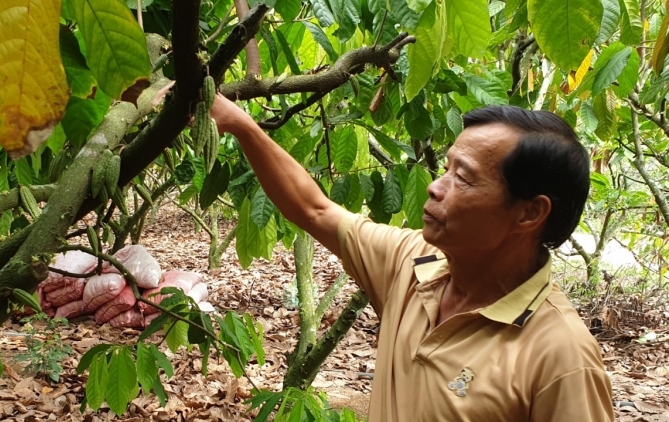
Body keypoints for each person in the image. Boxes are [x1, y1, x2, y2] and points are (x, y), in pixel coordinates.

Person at [209, 94, 614, 421]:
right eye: (447, 167)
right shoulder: (416, 263)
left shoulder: (561, 356)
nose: (435, 187)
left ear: (529, 213)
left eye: (464, 177)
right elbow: (314, 209)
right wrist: (240, 124)